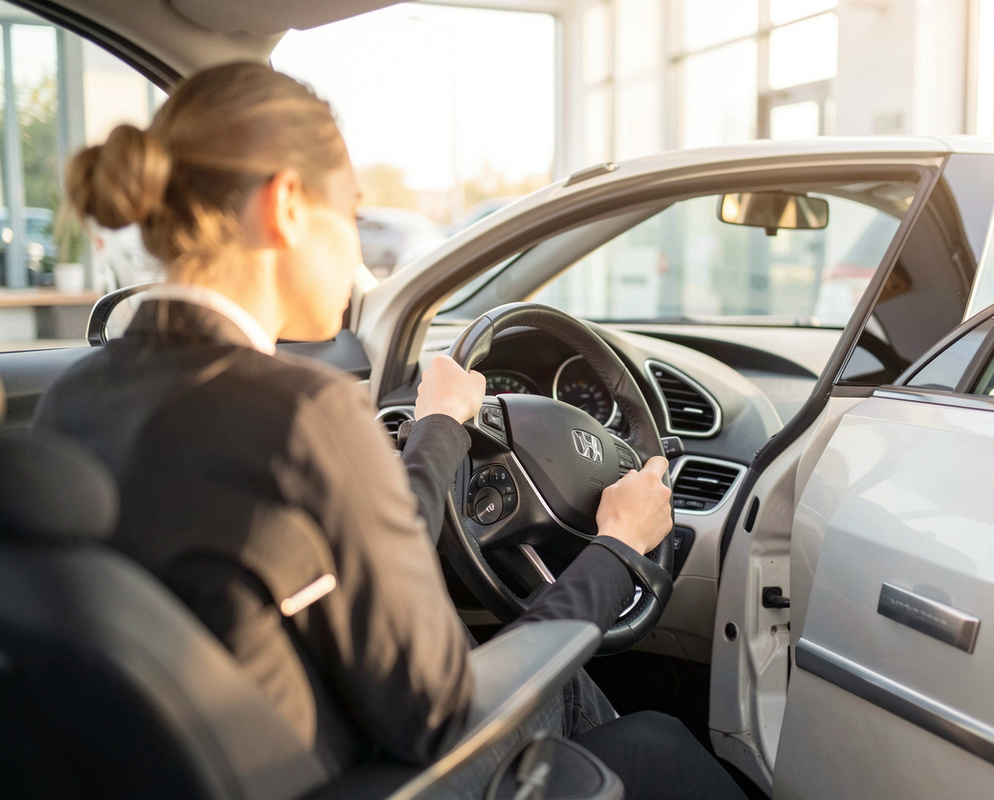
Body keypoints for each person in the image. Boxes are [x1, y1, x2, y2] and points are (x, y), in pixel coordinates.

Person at [33, 62, 747, 800]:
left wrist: (439, 430)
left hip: (210, 760)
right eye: (350, 213)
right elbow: (441, 713)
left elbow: (346, 543)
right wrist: (617, 552)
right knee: (651, 740)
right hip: (375, 771)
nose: (356, 250)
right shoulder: (303, 413)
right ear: (285, 205)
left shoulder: (74, 399)